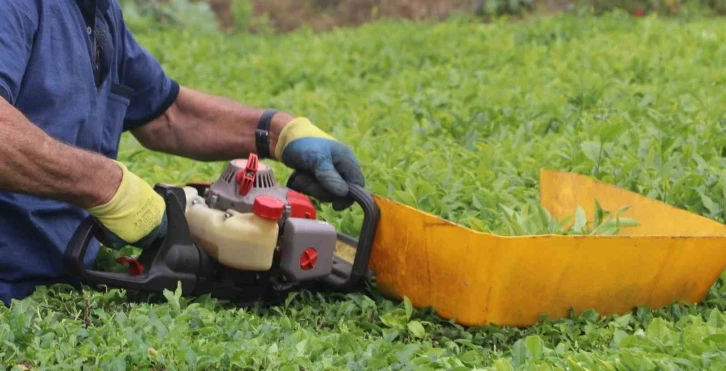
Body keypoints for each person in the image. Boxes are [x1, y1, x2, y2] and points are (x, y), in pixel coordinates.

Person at [0, 0, 365, 306]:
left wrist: (280, 133)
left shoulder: (96, 10)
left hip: (61, 279)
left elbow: (167, 113)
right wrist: (111, 189)